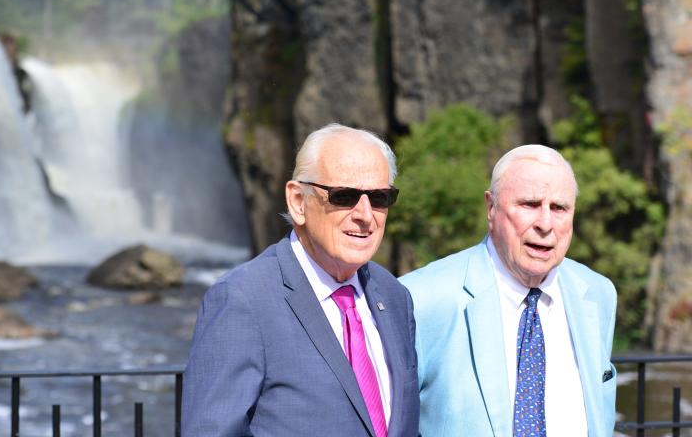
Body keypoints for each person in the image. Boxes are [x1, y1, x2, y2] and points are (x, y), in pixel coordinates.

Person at [183, 123, 419, 437]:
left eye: (379, 198)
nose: (365, 214)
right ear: (297, 201)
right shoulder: (243, 299)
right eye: (344, 196)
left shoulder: (394, 296)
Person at [400, 144, 617, 436]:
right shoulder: (419, 298)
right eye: (529, 204)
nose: (545, 223)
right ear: (491, 208)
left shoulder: (597, 294)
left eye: (559, 208)